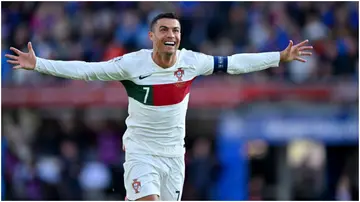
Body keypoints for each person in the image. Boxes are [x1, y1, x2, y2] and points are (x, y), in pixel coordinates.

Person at [6, 12, 312, 201]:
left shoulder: (192, 61)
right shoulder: (131, 64)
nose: (171, 35)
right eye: (164, 30)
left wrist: (279, 57)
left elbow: (235, 63)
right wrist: (39, 64)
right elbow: (87, 70)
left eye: (176, 30)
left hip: (174, 157)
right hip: (141, 152)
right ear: (152, 36)